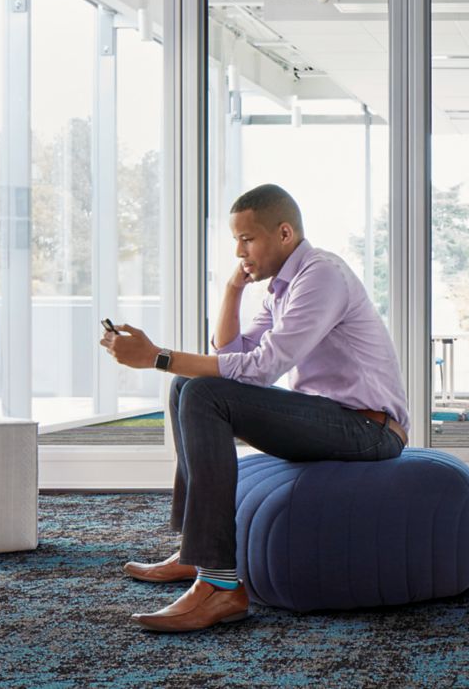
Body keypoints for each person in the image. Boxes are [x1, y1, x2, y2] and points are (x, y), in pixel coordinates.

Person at [100, 183, 409, 633]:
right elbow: (230, 349)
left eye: (247, 239)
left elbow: (261, 368)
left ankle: (222, 586)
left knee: (203, 392)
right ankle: (198, 553)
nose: (240, 250)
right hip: (332, 417)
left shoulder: (321, 276)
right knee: (189, 383)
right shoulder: (283, 287)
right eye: (235, 241)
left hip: (370, 430)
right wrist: (232, 288)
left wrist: (157, 357)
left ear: (284, 233)